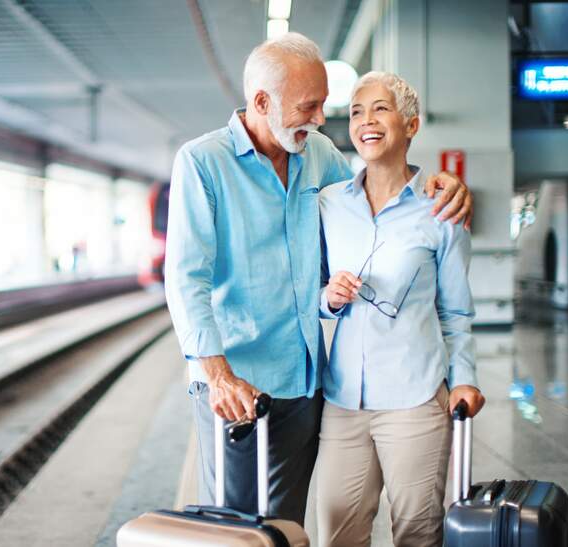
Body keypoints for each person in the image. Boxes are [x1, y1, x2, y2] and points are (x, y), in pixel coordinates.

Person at [164, 34, 472, 524]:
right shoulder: (203, 163)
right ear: (262, 102)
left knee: (288, 523)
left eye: (323, 105)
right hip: (238, 385)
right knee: (236, 525)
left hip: (307, 382)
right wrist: (217, 375)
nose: (320, 118)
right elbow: (186, 279)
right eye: (308, 106)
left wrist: (440, 185)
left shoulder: (320, 154)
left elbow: (374, 205)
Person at [314, 71, 486, 546]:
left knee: (417, 533)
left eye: (380, 109)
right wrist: (328, 298)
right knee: (337, 534)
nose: (366, 121)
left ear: (411, 125)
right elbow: (310, 292)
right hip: (343, 400)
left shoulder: (441, 209)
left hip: (415, 399)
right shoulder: (329, 204)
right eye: (356, 112)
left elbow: (456, 311)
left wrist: (465, 379)